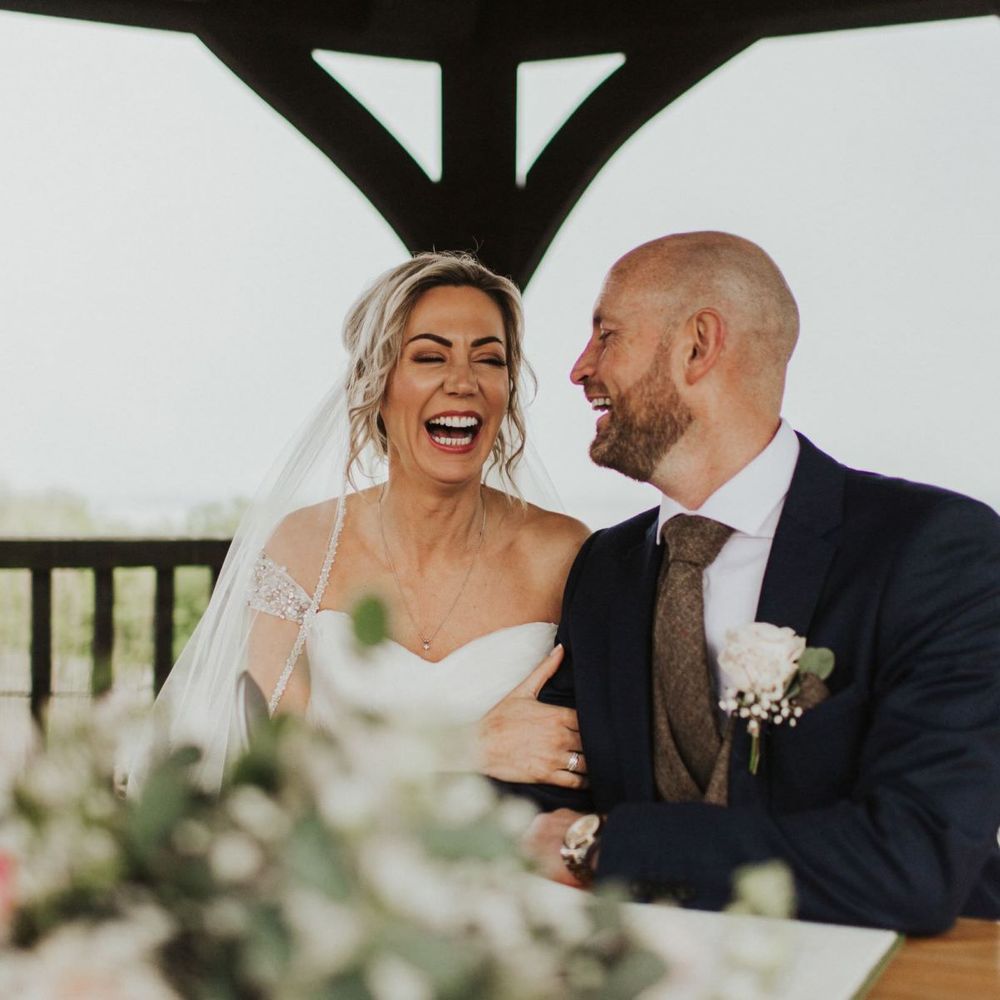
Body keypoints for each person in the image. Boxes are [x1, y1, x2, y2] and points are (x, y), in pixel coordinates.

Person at [517, 231, 1000, 934]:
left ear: (697, 345)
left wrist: (604, 846)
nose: (579, 368)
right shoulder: (605, 569)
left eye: (606, 334)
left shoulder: (934, 550)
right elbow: (543, 796)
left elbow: (914, 860)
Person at [128, 252, 590, 792]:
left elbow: (592, 747)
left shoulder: (563, 553)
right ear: (375, 381)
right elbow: (274, 772)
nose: (464, 382)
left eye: (490, 359)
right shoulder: (301, 548)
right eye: (430, 357)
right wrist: (466, 747)